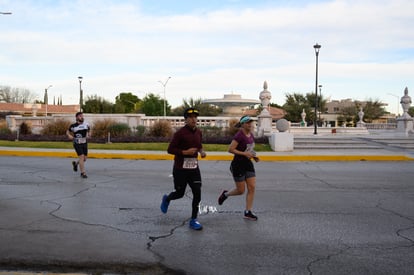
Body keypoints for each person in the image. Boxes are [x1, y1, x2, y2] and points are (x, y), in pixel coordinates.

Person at [160, 107, 207, 230]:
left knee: (197, 193)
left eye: (195, 117)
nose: (193, 119)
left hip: (194, 168)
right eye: (190, 117)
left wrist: (201, 151)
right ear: (185, 119)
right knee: (180, 193)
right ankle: (167, 198)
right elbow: (170, 150)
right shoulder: (180, 133)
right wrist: (184, 152)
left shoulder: (198, 132)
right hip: (180, 168)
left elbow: (199, 145)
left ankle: (193, 220)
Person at [218, 115, 259, 221]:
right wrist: (244, 154)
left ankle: (248, 212)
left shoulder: (251, 135)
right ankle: (225, 194)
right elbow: (230, 149)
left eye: (251, 122)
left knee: (252, 187)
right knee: (241, 190)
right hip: (238, 165)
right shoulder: (239, 135)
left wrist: (254, 156)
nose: (250, 124)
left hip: (248, 164)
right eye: (247, 122)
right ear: (242, 124)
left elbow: (249, 149)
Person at [66, 112, 91, 178]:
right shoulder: (73, 126)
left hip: (84, 143)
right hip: (77, 143)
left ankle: (76, 164)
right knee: (81, 157)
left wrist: (89, 134)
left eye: (82, 116)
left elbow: (89, 130)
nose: (82, 117)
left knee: (84, 159)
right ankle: (83, 173)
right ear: (77, 117)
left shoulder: (86, 124)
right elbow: (67, 131)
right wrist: (69, 135)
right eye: (80, 116)